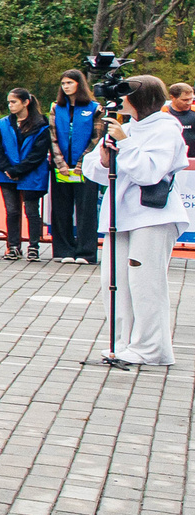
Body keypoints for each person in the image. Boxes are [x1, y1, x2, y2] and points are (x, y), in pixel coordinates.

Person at [81, 75, 191, 368]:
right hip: (121, 215)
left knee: (145, 283)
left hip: (153, 215)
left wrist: (125, 144)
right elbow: (94, 168)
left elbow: (149, 173)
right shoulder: (127, 128)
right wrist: (105, 159)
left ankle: (151, 347)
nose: (118, 99)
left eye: (124, 93)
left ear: (140, 98)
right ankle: (122, 343)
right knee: (114, 282)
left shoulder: (166, 129)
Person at [50, 69, 102, 265]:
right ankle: (63, 250)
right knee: (61, 209)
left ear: (79, 84)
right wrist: (60, 163)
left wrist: (82, 163)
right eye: (63, 83)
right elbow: (52, 136)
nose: (66, 87)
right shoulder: (56, 108)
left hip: (86, 168)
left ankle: (86, 252)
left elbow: (96, 138)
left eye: (70, 83)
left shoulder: (95, 108)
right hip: (61, 167)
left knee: (86, 210)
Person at [0, 88, 52, 262]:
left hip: (32, 174)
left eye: (14, 102)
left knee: (32, 211)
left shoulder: (42, 125)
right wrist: (7, 169)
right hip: (7, 174)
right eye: (9, 102)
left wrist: (19, 170)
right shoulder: (3, 123)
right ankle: (13, 246)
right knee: (12, 211)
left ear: (26, 102)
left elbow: (39, 153)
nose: (10, 105)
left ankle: (34, 246)